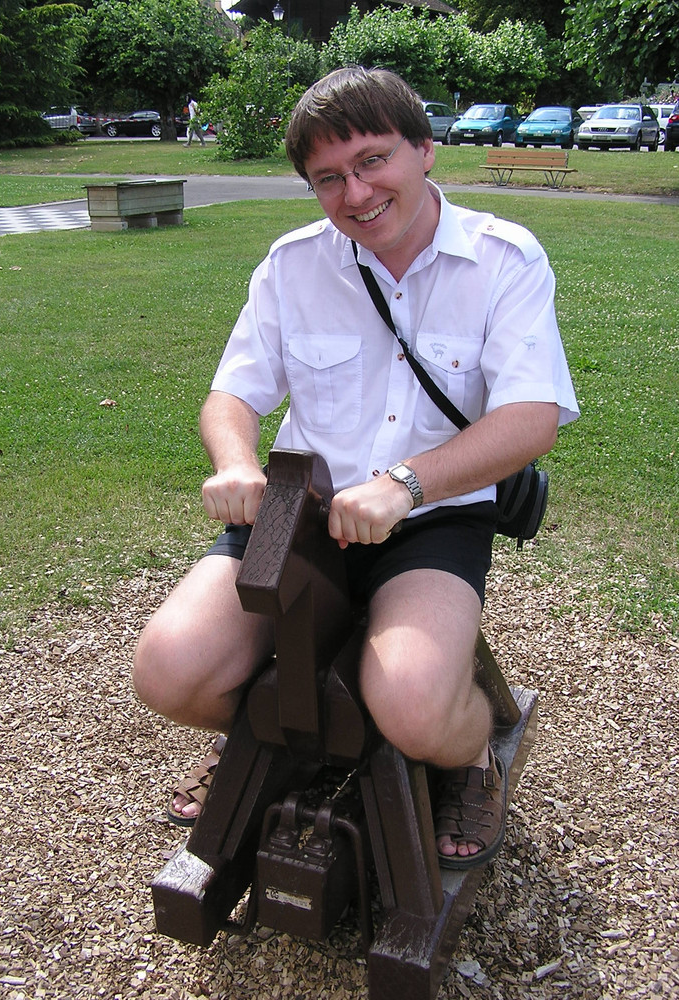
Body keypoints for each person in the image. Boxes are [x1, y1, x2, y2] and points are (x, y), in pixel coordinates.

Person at [133, 67, 579, 868]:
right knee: (168, 672)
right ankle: (264, 732)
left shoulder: (503, 259)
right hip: (302, 514)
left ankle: (471, 754)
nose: (357, 193)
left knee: (413, 705)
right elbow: (232, 393)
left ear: (424, 150)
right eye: (329, 178)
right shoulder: (293, 264)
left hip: (432, 516)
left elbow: (530, 418)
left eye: (373, 160)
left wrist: (405, 485)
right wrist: (235, 463)